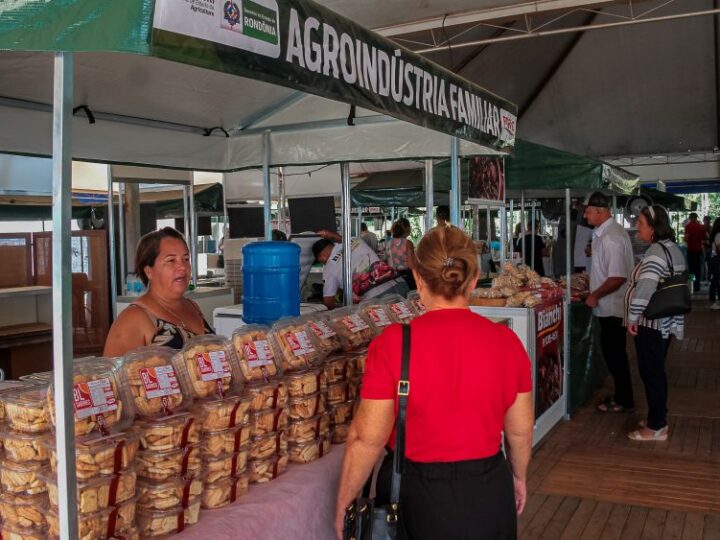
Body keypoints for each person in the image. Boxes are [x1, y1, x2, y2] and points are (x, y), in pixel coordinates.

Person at [334, 226, 533, 540]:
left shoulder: (393, 344)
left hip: (414, 495)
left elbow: (366, 440)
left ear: (417, 277)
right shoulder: (506, 342)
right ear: (475, 276)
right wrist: (519, 477)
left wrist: (345, 504)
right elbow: (520, 431)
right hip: (488, 490)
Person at [625, 205, 686, 441]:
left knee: (652, 372)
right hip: (666, 322)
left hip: (652, 323)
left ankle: (657, 426)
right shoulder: (672, 248)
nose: (636, 227)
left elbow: (646, 288)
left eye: (640, 223)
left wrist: (632, 317)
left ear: (653, 227)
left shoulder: (655, 253)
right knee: (655, 370)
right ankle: (656, 416)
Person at [104, 227, 213, 357]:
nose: (183, 267)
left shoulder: (192, 306)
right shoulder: (133, 318)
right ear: (149, 271)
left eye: (186, 259)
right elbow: (113, 373)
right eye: (171, 260)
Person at [584, 192, 635, 413]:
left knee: (615, 355)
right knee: (613, 354)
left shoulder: (612, 237)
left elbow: (617, 277)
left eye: (587, 211)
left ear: (600, 211)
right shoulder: (604, 234)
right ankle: (622, 395)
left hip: (612, 307)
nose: (585, 215)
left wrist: (595, 295)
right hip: (608, 306)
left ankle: (624, 399)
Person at [312, 230, 408, 309]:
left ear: (322, 257)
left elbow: (328, 302)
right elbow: (342, 239)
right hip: (399, 283)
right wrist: (330, 234)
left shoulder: (329, 268)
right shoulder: (355, 240)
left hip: (377, 298)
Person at [386, 218, 417, 290]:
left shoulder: (389, 243)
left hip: (392, 277)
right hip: (406, 277)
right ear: (407, 228)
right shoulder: (408, 243)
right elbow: (411, 265)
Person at [684, 212, 705, 292]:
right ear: (696, 218)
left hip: (691, 250)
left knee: (691, 269)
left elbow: (686, 238)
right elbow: (704, 238)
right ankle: (697, 285)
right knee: (698, 268)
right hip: (698, 250)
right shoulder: (701, 227)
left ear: (690, 218)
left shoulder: (688, 226)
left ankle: (691, 285)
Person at [708, 217, 720, 309]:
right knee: (717, 280)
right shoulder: (719, 235)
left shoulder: (715, 234)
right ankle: (716, 301)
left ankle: (713, 298)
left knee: (715, 279)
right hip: (717, 259)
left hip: (714, 259)